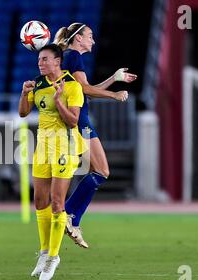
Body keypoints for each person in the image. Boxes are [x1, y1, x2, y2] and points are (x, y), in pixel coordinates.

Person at [53, 23, 137, 248]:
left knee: (99, 171)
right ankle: (69, 215)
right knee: (101, 170)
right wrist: (114, 94)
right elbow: (86, 89)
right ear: (78, 38)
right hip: (80, 121)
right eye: (90, 36)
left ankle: (70, 217)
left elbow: (86, 89)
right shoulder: (73, 56)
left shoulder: (70, 57)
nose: (93, 40)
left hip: (81, 119)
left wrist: (114, 78)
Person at [19, 43, 86, 280]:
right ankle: (45, 251)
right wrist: (24, 92)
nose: (40, 63)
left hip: (64, 147)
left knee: (57, 204)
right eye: (39, 60)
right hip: (42, 147)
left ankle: (53, 257)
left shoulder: (72, 86)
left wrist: (59, 100)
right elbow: (24, 113)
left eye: (45, 59)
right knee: (39, 201)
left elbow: (73, 122)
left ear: (57, 61)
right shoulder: (38, 83)